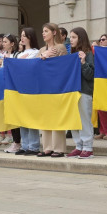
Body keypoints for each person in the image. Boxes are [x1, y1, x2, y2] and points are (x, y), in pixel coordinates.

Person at [36, 22, 69, 157]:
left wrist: (48, 57)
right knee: (45, 116)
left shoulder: (60, 47)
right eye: (43, 31)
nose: (43, 34)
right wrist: (43, 56)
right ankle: (47, 146)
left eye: (46, 31)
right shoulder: (41, 50)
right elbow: (36, 66)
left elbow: (64, 66)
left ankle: (59, 148)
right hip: (44, 87)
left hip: (56, 86)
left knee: (56, 116)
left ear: (54, 32)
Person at [66, 27, 95, 159]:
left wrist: (83, 62)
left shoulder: (88, 53)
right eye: (70, 37)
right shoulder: (71, 54)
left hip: (84, 91)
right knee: (74, 120)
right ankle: (78, 145)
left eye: (73, 37)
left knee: (84, 119)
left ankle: (88, 147)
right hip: (72, 91)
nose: (70, 40)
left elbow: (90, 75)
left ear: (80, 38)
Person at [16, 27, 42, 155]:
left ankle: (34, 146)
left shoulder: (35, 52)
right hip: (20, 88)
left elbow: (34, 68)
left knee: (31, 118)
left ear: (30, 37)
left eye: (24, 35)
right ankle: (25, 145)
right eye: (21, 35)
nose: (22, 38)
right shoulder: (19, 54)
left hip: (31, 89)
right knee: (22, 118)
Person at [0, 33, 22, 153]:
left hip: (15, 90)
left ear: (12, 44)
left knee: (16, 116)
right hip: (6, 89)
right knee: (11, 116)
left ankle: (18, 142)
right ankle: (15, 141)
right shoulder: (3, 56)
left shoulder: (17, 55)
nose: (3, 44)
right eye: (3, 42)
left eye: (6, 42)